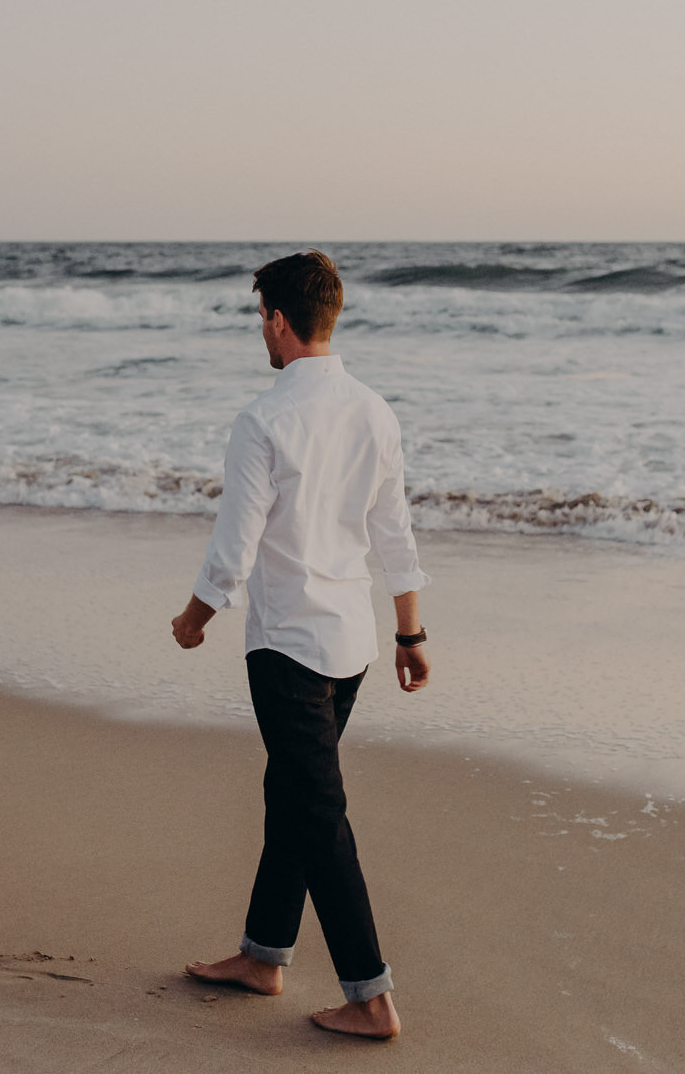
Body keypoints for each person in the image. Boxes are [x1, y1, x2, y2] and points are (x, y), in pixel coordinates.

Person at [170, 250, 432, 1041]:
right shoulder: (375, 410)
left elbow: (235, 542)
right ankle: (263, 954)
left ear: (279, 321)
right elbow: (395, 532)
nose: (261, 329)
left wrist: (196, 616)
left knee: (316, 807)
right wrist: (410, 631)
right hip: (350, 641)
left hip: (285, 641)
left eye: (261, 317)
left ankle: (371, 994)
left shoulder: (265, 418)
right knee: (293, 792)